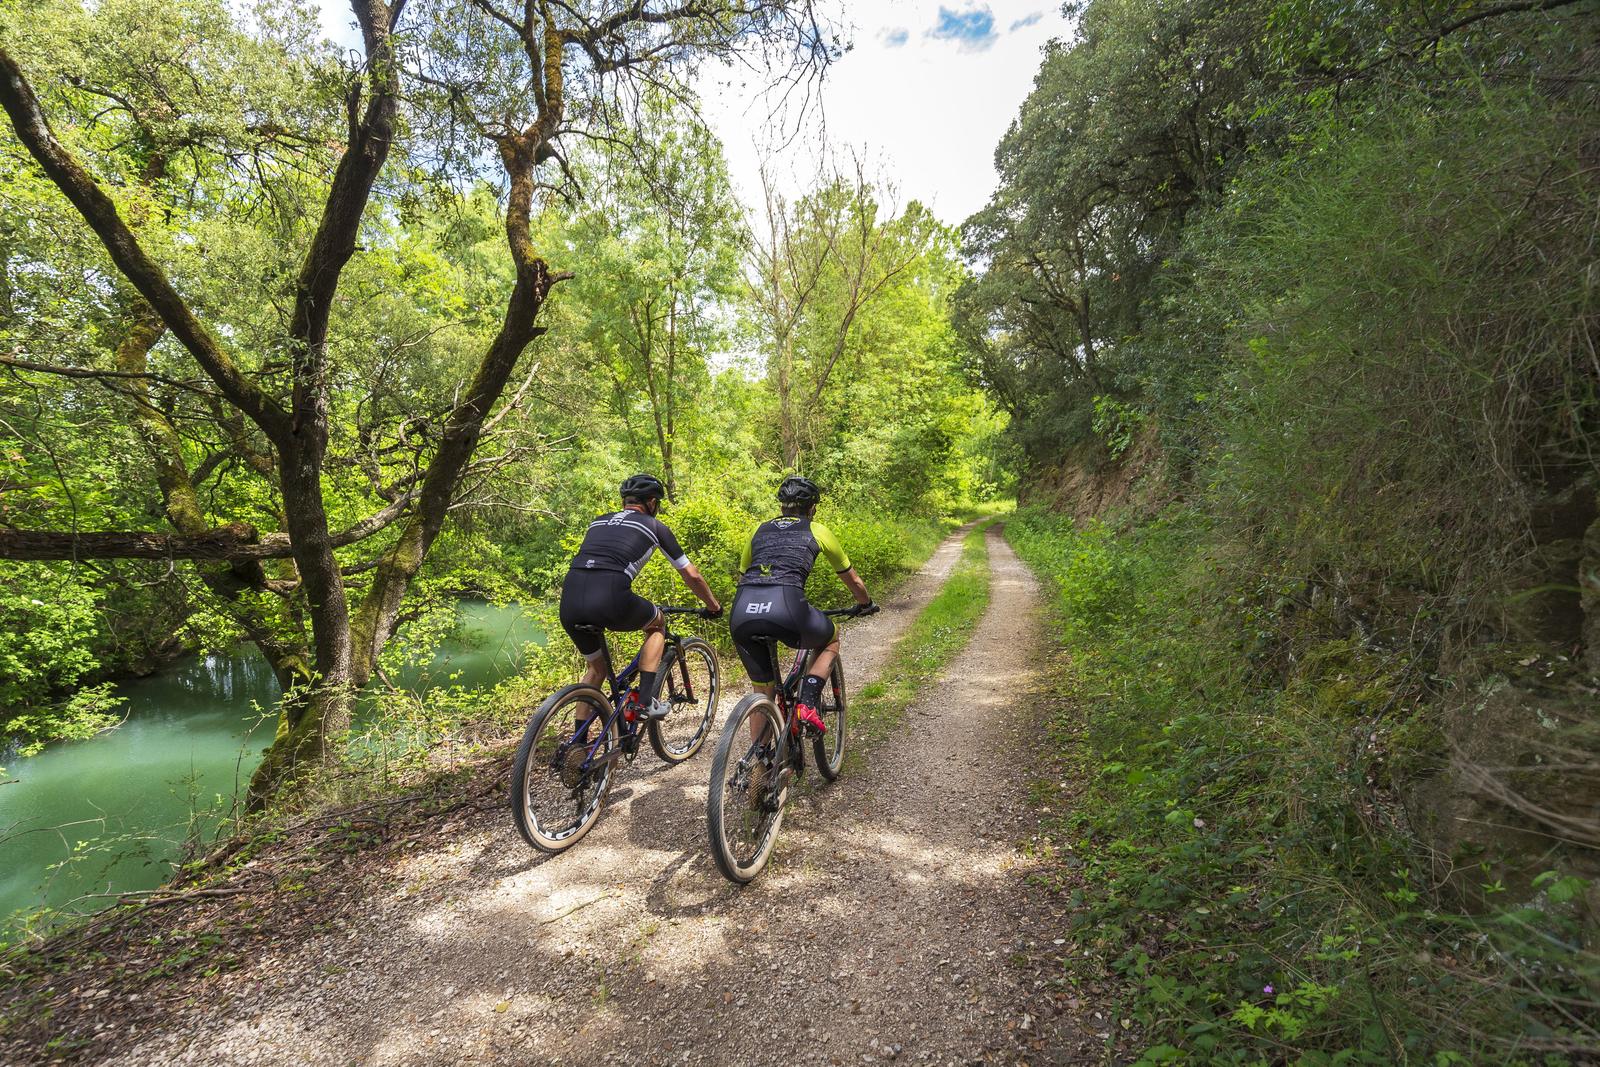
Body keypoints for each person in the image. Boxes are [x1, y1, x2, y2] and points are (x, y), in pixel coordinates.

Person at [559, 474, 722, 719]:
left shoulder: (598, 522)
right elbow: (692, 575)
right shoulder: (655, 526)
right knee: (657, 624)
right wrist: (713, 606)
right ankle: (645, 702)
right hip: (610, 596)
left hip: (570, 600)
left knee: (596, 669)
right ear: (653, 503)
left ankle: (578, 746)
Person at [731, 476, 876, 734]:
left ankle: (757, 768)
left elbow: (742, 577)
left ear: (781, 508)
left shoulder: (758, 529)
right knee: (831, 638)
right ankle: (807, 702)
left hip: (742, 611)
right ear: (813, 508)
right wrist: (865, 603)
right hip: (787, 608)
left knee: (763, 690)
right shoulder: (816, 530)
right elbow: (852, 579)